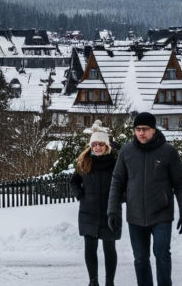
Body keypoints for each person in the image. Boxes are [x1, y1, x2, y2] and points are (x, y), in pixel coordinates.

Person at [107, 111, 182, 286]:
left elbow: (180, 184)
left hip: (161, 214)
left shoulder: (168, 151)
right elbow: (117, 181)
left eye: (145, 129)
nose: (141, 133)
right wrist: (113, 210)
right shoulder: (127, 151)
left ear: (153, 130)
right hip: (135, 215)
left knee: (162, 253)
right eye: (137, 129)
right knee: (140, 258)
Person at [70, 120, 120, 286]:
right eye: (94, 144)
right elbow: (74, 182)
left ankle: (109, 282)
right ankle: (93, 281)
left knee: (109, 248)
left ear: (107, 146)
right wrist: (81, 196)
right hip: (88, 211)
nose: (97, 147)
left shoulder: (116, 163)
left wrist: (120, 198)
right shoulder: (84, 161)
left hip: (110, 211)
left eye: (101, 144)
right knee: (90, 248)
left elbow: (124, 184)